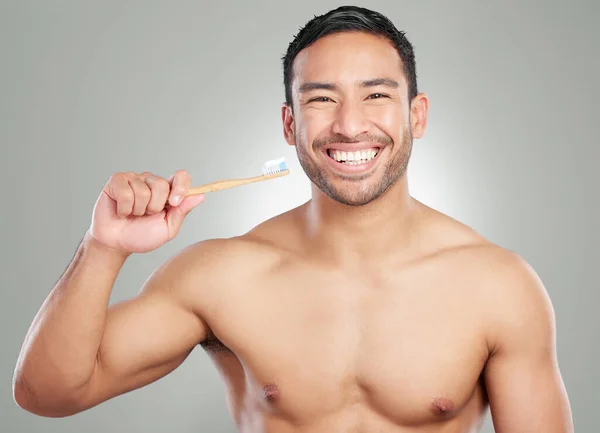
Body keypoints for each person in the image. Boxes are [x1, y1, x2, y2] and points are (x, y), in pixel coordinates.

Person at [12, 5, 574, 433]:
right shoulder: (222, 276)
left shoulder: (498, 286)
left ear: (417, 114)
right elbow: (49, 393)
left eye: (377, 94)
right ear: (289, 123)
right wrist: (103, 246)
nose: (350, 126)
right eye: (321, 99)